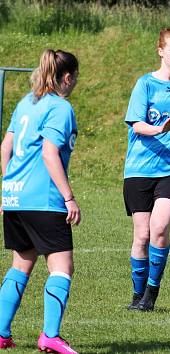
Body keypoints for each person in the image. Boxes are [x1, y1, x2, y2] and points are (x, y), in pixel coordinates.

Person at [0, 49, 80, 353]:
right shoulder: (60, 108)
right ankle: (49, 336)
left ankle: (1, 333)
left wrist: (10, 187)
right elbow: (49, 153)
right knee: (62, 268)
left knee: (21, 265)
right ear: (68, 77)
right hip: (43, 199)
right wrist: (68, 197)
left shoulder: (26, 103)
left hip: (17, 198)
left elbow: (5, 147)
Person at [123, 28, 170, 311]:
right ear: (161, 51)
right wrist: (159, 129)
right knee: (141, 235)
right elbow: (136, 125)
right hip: (140, 168)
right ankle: (137, 295)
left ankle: (151, 297)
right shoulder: (144, 85)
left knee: (160, 227)